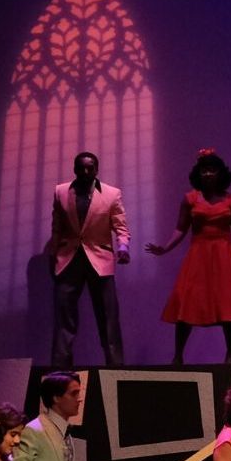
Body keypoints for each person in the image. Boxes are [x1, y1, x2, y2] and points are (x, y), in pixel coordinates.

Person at [146, 149, 231, 364]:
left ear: (220, 173)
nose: (207, 174)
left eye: (212, 170)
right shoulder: (190, 199)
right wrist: (165, 248)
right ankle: (178, 356)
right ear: (198, 173)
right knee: (188, 304)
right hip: (199, 256)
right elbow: (180, 229)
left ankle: (230, 355)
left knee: (229, 304)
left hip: (225, 256)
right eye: (204, 170)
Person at [49, 151, 130, 367]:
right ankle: (60, 368)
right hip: (68, 260)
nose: (86, 172)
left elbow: (121, 226)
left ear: (97, 169)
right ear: (74, 169)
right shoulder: (61, 191)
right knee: (64, 317)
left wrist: (123, 247)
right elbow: (57, 228)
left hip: (100, 260)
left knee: (108, 317)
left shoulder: (111, 194)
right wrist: (53, 254)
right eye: (81, 168)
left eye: (90, 168)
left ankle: (115, 367)